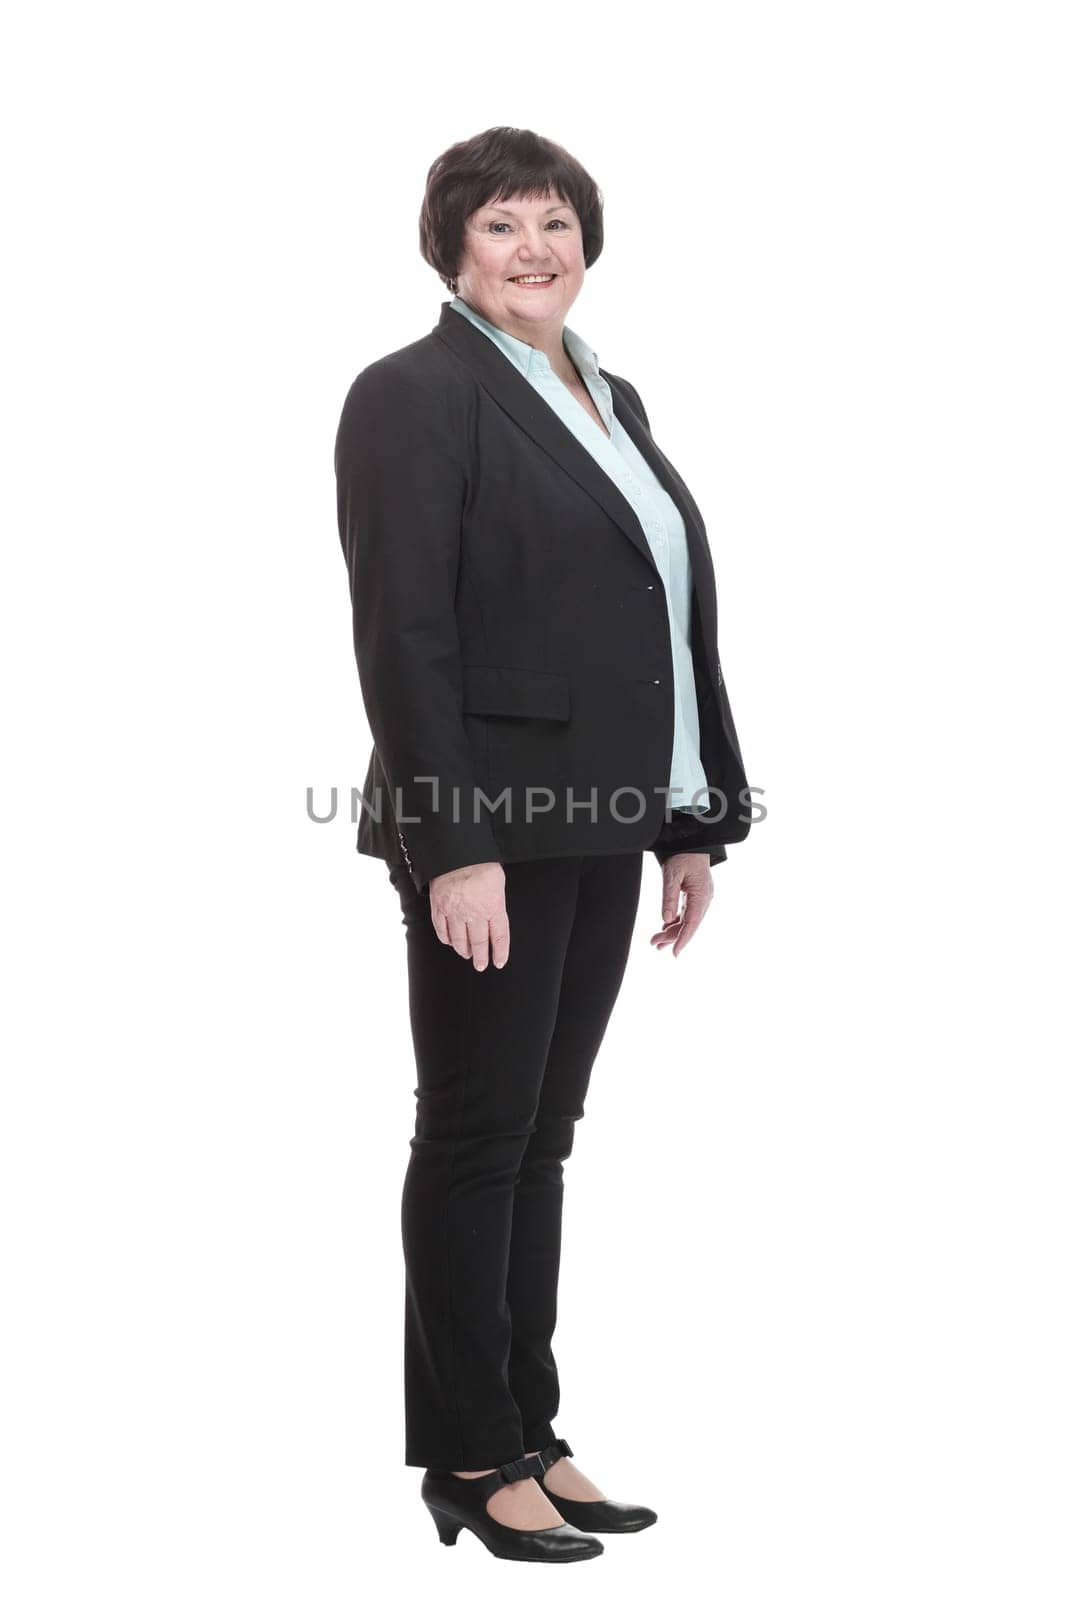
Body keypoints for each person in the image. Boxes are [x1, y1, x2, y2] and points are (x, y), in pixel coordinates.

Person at [333, 125, 753, 1563]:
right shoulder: (413, 396)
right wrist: (452, 846)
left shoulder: (606, 392)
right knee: (472, 1136)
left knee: (542, 1140)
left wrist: (691, 818)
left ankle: (529, 1425)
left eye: (555, 221)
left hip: (603, 821)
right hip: (490, 836)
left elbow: (666, 623)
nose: (536, 250)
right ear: (451, 245)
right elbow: (407, 633)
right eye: (503, 225)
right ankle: (466, 1457)